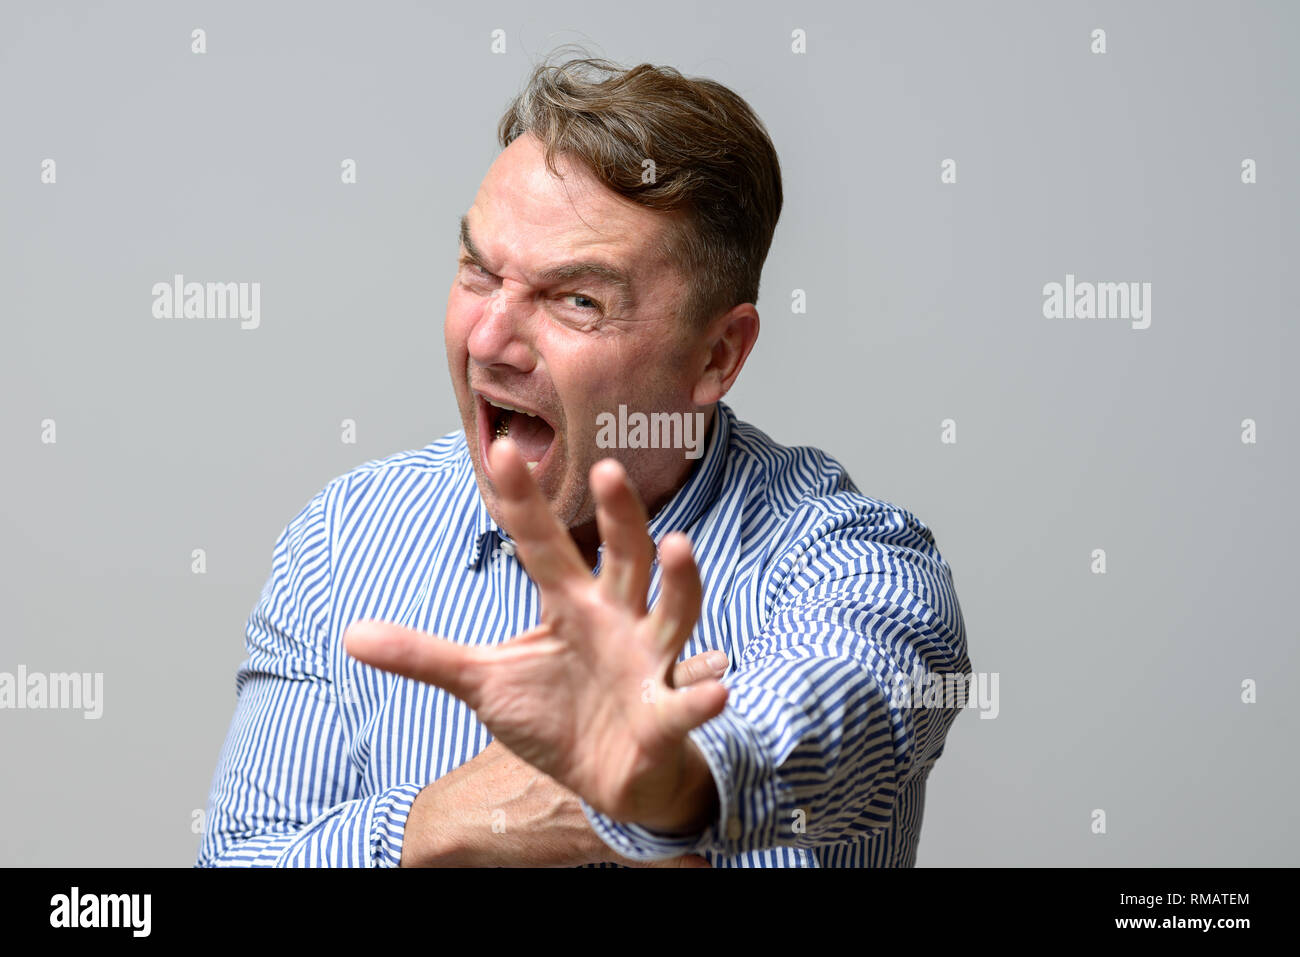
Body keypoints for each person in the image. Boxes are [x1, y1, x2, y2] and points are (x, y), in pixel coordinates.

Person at [197, 52, 970, 868]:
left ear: (717, 353)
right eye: (479, 270)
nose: (488, 341)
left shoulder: (854, 561)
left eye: (578, 300)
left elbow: (839, 709)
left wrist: (663, 783)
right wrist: (434, 826)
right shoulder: (345, 540)